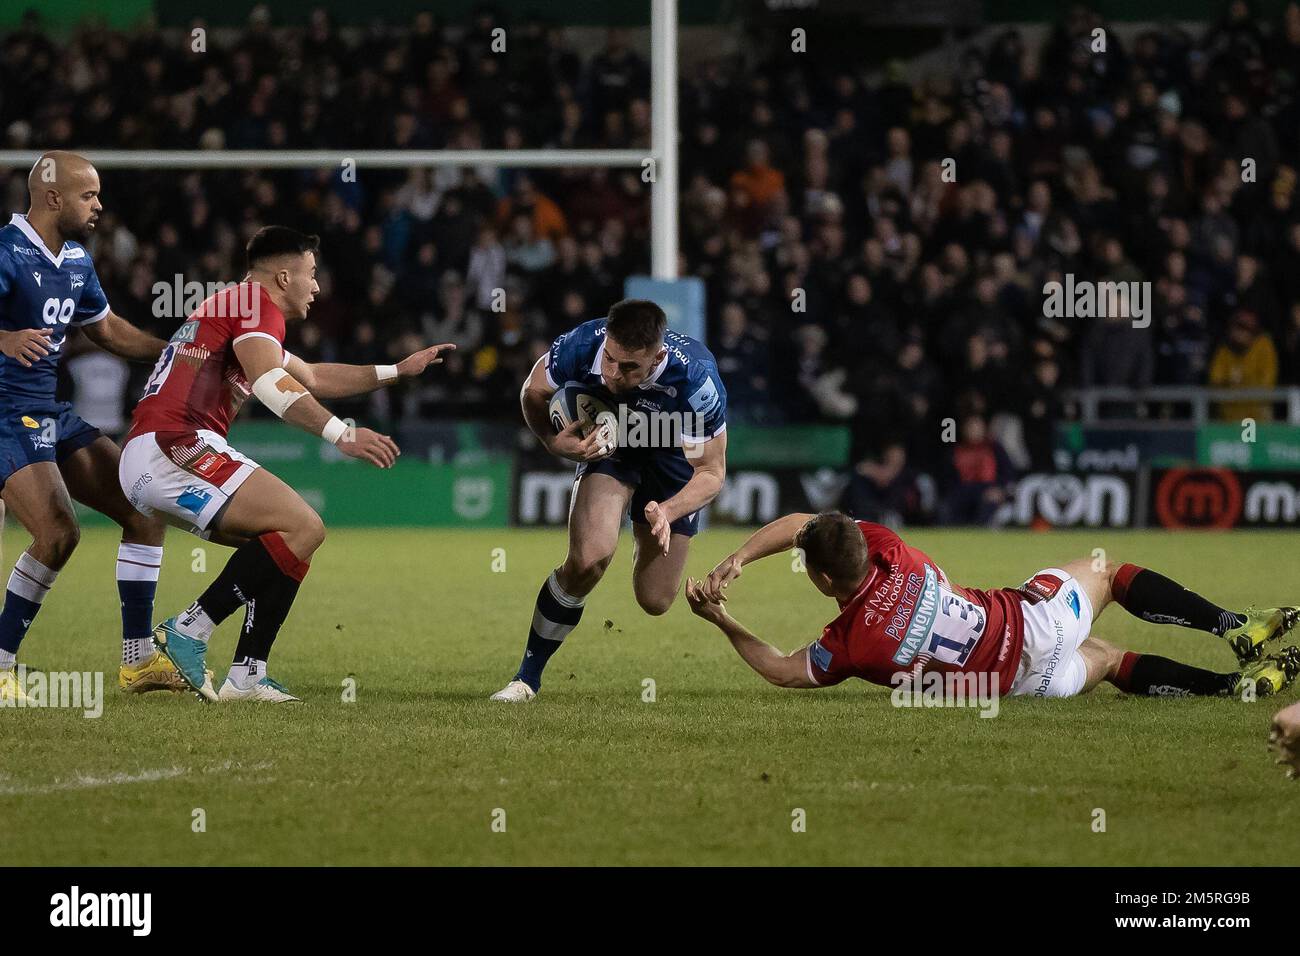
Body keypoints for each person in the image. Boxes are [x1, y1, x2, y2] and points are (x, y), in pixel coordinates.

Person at [118, 225, 453, 702]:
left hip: (154, 452)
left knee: (286, 543)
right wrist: (343, 434)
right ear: (282, 276)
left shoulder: (236, 307)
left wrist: (397, 369)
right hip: (175, 443)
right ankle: (188, 630)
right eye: (311, 274)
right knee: (304, 527)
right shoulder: (255, 304)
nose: (316, 286)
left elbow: (313, 376)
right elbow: (272, 385)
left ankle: (248, 675)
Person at [686, 510, 1299, 700]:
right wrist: (738, 559)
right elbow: (803, 524)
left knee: (1110, 661)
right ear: (863, 545)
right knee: (1108, 575)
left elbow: (782, 669)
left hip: (1021, 683)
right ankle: (1231, 625)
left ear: (821, 580)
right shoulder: (896, 552)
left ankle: (1228, 688)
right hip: (1033, 621)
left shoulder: (852, 644)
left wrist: (721, 613)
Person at [0, 150, 182, 704]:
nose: (99, 205)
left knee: (144, 510)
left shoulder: (75, 258)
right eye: (89, 196)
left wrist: (175, 349)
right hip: (6, 412)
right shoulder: (5, 252)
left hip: (47, 410)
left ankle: (138, 661)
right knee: (58, 533)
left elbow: (106, 331)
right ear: (54, 198)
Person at [491, 299, 728, 702]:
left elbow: (712, 472)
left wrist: (666, 511)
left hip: (674, 459)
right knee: (587, 560)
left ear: (658, 358)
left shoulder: (696, 380)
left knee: (655, 600)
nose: (615, 374)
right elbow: (533, 392)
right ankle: (526, 679)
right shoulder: (581, 345)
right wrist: (552, 441)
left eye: (630, 367)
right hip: (612, 445)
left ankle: (643, 524)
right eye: (612, 361)